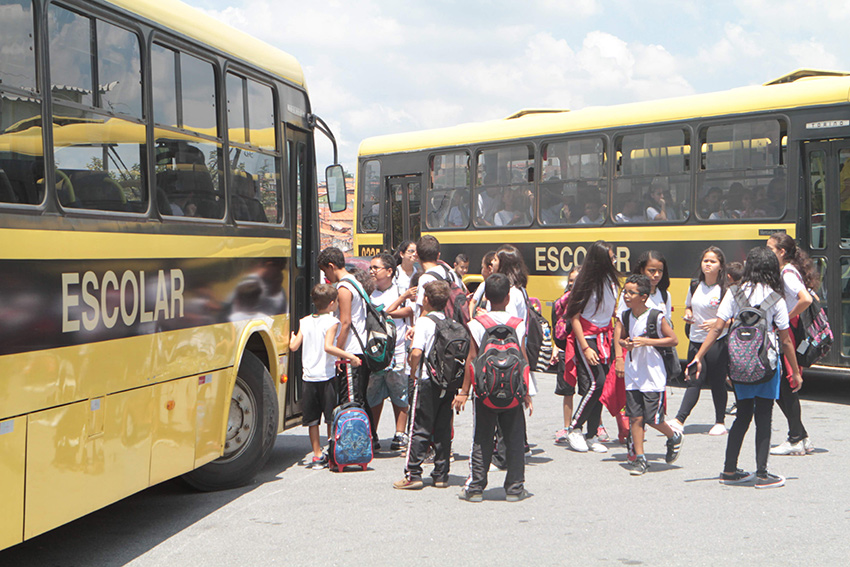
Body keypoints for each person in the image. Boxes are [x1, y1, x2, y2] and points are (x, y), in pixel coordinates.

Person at [691, 246, 802, 488]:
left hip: (739, 364)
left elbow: (717, 328)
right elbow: (785, 340)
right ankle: (762, 473)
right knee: (764, 417)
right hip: (766, 365)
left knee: (742, 416)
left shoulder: (734, 292)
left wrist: (699, 355)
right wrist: (794, 371)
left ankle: (729, 470)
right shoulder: (776, 297)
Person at [453, 273, 533, 502]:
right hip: (513, 392)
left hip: (485, 392)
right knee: (514, 438)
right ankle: (515, 488)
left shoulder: (476, 324)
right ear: (508, 298)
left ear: (486, 297)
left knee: (482, 437)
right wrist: (526, 392)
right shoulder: (518, 324)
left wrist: (464, 392)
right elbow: (523, 357)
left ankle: (476, 487)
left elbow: (471, 360)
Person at [614, 274, 682, 475]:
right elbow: (620, 338)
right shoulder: (625, 316)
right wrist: (625, 345)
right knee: (635, 418)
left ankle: (673, 436)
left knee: (653, 419)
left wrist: (647, 341)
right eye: (625, 292)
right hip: (633, 373)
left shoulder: (656, 316)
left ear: (643, 297)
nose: (626, 296)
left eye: (631, 293)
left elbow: (673, 339)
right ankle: (640, 458)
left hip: (653, 374)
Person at [289, 284, 362, 469]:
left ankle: (316, 455)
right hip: (326, 376)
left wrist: (291, 338)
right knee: (331, 417)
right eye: (336, 301)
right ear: (331, 303)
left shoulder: (305, 321)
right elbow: (328, 347)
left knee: (312, 420)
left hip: (308, 377)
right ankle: (331, 450)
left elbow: (294, 347)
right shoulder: (332, 322)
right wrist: (350, 357)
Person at [393, 280, 456, 490]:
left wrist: (413, 372)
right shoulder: (448, 321)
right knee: (443, 428)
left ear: (426, 299)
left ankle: (413, 473)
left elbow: (417, 352)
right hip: (446, 382)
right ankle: (441, 475)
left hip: (427, 380)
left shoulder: (424, 322)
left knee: (418, 427)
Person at [564, 240, 620, 453]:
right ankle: (574, 427)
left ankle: (592, 433)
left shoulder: (612, 282)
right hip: (587, 337)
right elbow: (574, 317)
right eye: (611, 257)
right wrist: (586, 348)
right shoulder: (584, 282)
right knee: (597, 381)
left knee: (603, 386)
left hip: (605, 337)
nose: (614, 261)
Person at [612, 250, 672, 443]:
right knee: (634, 411)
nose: (656, 275)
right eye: (651, 270)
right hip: (633, 360)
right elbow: (620, 327)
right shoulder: (630, 295)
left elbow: (669, 331)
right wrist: (619, 357)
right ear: (642, 270)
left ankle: (671, 437)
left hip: (654, 363)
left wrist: (651, 339)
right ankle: (636, 449)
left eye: (660, 271)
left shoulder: (664, 295)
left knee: (652, 414)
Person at [669, 247, 730, 436]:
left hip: (717, 342)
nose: (708, 264)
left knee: (718, 382)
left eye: (713, 261)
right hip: (695, 340)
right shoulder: (695, 284)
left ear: (720, 266)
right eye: (705, 261)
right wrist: (688, 314)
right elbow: (688, 306)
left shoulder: (725, 289)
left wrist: (718, 323)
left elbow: (736, 318)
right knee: (694, 380)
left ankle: (720, 421)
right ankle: (679, 420)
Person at [767, 233, 817, 456]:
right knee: (782, 386)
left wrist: (785, 318)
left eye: (770, 248)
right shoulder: (787, 271)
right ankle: (801, 436)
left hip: (789, 333)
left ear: (782, 252)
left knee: (785, 386)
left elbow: (805, 299)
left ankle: (795, 437)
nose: (767, 252)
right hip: (790, 331)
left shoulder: (787, 274)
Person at [368, 253, 416, 452]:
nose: (372, 271)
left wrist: (388, 311)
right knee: (374, 394)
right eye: (371, 268)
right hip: (375, 353)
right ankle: (373, 434)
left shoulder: (401, 291)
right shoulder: (368, 292)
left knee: (400, 393)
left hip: (397, 351)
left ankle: (400, 434)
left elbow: (409, 311)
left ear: (389, 271)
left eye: (376, 268)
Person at [317, 247, 370, 408]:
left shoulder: (344, 288)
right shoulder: (355, 282)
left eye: (325, 271)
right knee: (359, 400)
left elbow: (345, 322)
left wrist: (338, 354)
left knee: (350, 402)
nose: (326, 276)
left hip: (350, 351)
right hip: (359, 349)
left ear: (331, 266)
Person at [553, 268, 579, 444]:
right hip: (565, 349)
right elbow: (556, 326)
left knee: (590, 390)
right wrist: (555, 347)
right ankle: (567, 426)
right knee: (567, 390)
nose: (573, 284)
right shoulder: (560, 303)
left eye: (576, 280)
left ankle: (596, 426)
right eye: (571, 280)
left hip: (582, 349)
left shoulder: (587, 302)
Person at [470, 250, 498, 318]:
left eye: (483, 267)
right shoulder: (483, 285)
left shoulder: (500, 288)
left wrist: (487, 316)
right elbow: (473, 302)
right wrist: (471, 319)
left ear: (489, 269)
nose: (481, 271)